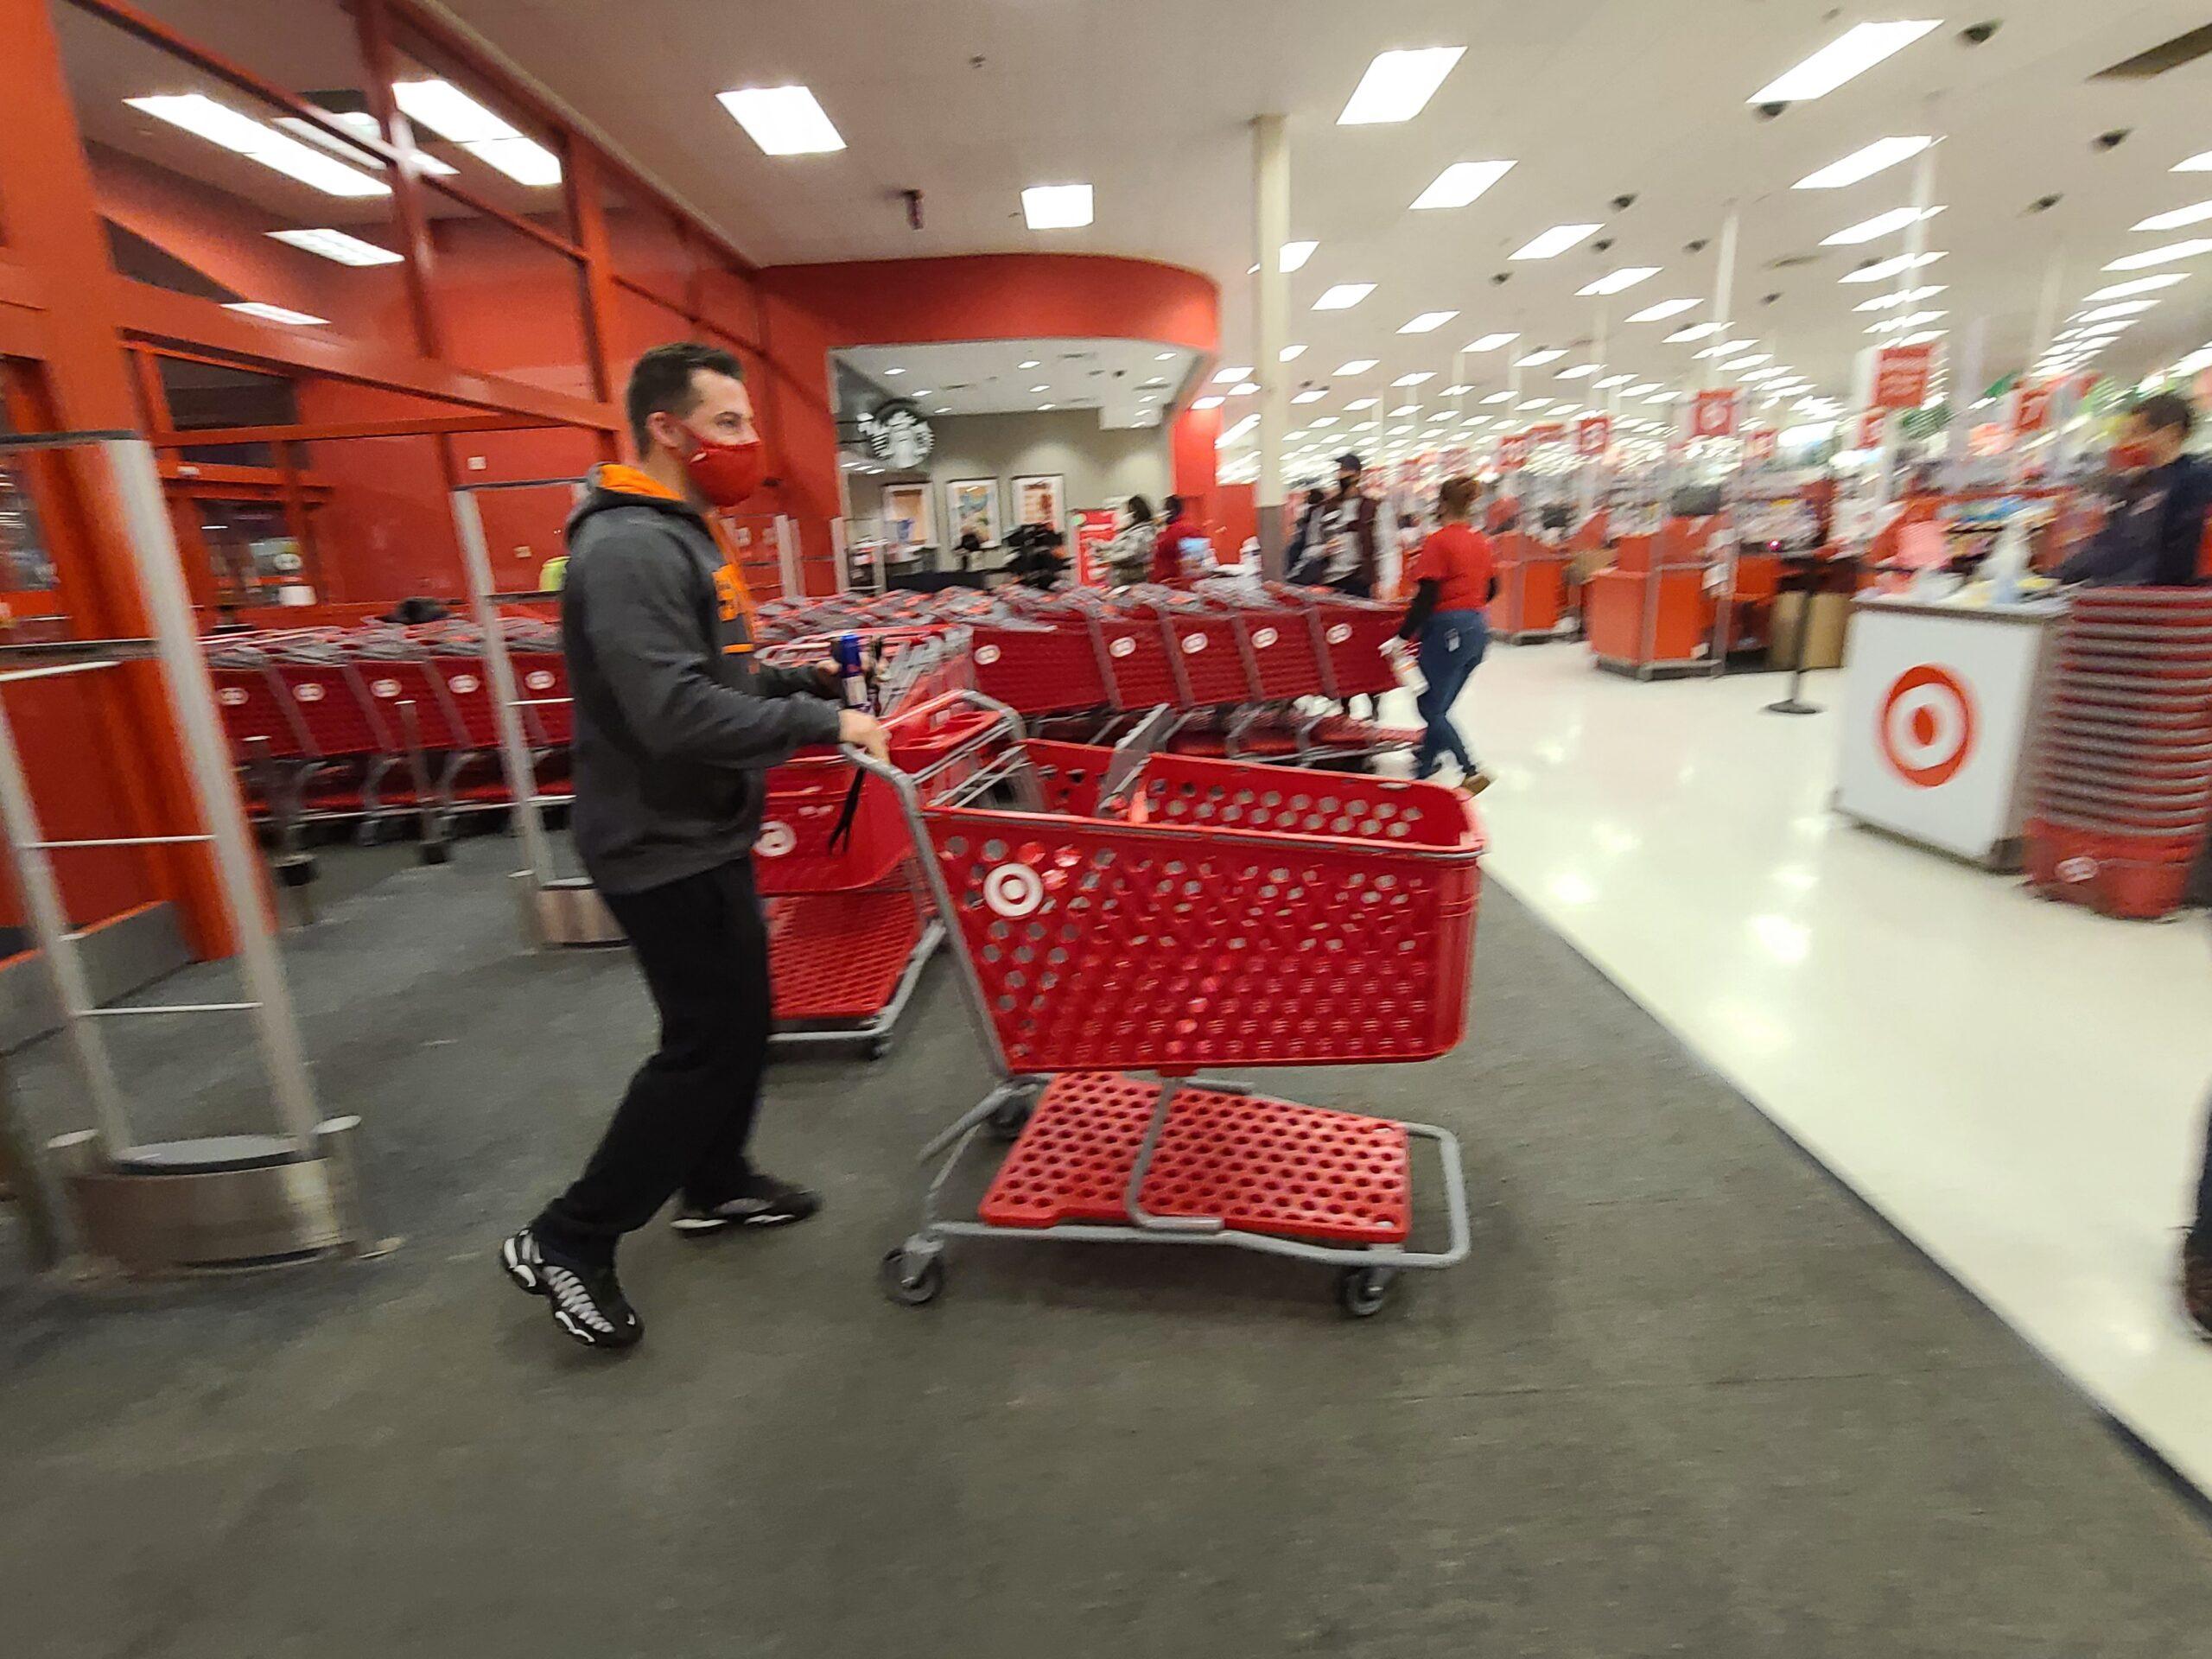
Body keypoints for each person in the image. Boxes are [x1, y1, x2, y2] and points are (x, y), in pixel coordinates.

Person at [499, 342, 888, 1352]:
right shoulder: (629, 547)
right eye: (726, 424)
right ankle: (568, 1236)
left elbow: (711, 673)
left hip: (698, 824)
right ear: (666, 430)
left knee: (740, 1019)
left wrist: (798, 687)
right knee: (706, 1041)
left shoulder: (680, 532)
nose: (746, 444)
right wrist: (820, 729)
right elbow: (671, 712)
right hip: (655, 837)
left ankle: (715, 1182)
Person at [1398, 474, 1495, 795]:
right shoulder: (1480, 541)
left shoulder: (1439, 541)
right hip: (1479, 629)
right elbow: (1493, 587)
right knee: (1440, 705)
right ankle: (1423, 769)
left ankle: (1470, 769)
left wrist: (1403, 635)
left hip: (1447, 630)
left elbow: (1426, 595)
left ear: (1441, 504)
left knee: (1430, 706)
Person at [2057, 392, 2211, 588]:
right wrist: (2056, 576)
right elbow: (2108, 542)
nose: (2128, 442)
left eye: (2137, 433)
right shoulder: (2139, 485)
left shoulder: (2196, 481)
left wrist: (2104, 584)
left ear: (2171, 433)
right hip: (2129, 594)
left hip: (2169, 601)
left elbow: (2169, 556)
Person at [1299, 454, 1380, 597]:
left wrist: (1388, 582)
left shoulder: (1373, 508)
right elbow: (1308, 551)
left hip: (1361, 582)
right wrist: (1325, 549)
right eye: (1339, 471)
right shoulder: (1322, 510)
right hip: (1329, 584)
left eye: (1345, 471)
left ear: (1357, 475)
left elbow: (1386, 550)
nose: (1340, 475)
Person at [1149, 494, 1210, 585]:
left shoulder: (1171, 533)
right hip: (1190, 583)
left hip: (1171, 584)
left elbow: (1162, 552)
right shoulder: (1193, 528)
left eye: (1162, 510)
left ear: (1169, 512)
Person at [1103, 494, 1158, 586]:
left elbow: (1132, 553)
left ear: (1135, 513)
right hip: (1122, 578)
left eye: (1127, 512)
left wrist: (1109, 558)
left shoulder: (1143, 531)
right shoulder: (1130, 530)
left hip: (1132, 579)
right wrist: (1101, 546)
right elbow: (1117, 545)